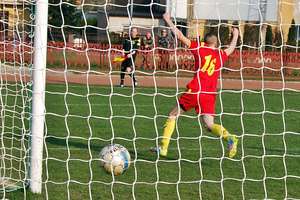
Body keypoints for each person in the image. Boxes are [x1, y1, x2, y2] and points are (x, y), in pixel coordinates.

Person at [152, 13, 240, 158]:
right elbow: (231, 48)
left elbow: (180, 35)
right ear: (216, 43)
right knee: (209, 125)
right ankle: (229, 137)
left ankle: (163, 148)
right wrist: (235, 34)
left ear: (205, 42)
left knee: (173, 115)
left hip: (195, 91)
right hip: (210, 95)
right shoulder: (220, 54)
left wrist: (168, 20)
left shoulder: (200, 49)